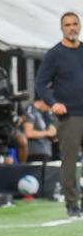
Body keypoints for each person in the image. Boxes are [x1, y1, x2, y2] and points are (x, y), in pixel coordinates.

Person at [34, 11, 83, 218]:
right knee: (69, 161)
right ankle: (72, 204)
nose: (71, 27)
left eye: (75, 24)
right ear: (62, 28)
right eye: (67, 25)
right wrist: (53, 103)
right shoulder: (55, 54)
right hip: (69, 116)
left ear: (79, 26)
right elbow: (40, 83)